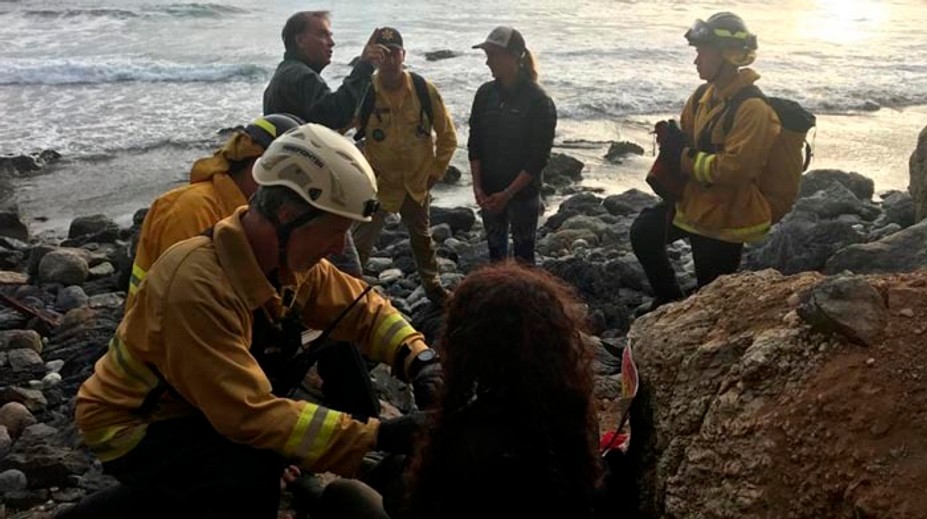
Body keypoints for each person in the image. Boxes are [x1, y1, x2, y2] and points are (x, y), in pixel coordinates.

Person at [61, 124, 442, 519]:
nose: (336, 248)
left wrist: (420, 360)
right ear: (286, 213)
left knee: (268, 447)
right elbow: (248, 414)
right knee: (248, 472)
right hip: (133, 423)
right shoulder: (196, 285)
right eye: (332, 232)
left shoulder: (284, 262)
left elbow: (362, 309)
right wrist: (377, 435)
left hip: (197, 403)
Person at [311, 261, 604, 519]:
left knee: (343, 494)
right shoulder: (570, 415)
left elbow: (414, 506)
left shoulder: (469, 443)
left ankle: (308, 487)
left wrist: (387, 438)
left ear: (466, 343)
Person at [630, 12, 780, 313]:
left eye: (702, 53)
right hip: (696, 203)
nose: (696, 61)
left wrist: (683, 157)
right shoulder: (702, 96)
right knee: (644, 232)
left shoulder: (753, 109)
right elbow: (688, 137)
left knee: (711, 300)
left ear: (727, 56)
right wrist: (673, 142)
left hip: (725, 217)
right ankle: (669, 301)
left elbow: (736, 169)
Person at [125, 113, 303, 310]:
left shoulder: (255, 216)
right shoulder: (191, 209)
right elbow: (187, 301)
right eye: (286, 176)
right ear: (257, 163)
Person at [351, 27, 457, 305]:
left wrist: (434, 173)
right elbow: (338, 127)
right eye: (382, 53)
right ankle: (347, 289)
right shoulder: (365, 92)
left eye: (394, 53)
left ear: (403, 54)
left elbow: (448, 136)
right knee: (359, 240)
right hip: (378, 184)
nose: (389, 59)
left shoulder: (423, 90)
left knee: (422, 239)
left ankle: (433, 287)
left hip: (415, 183)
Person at [468, 26, 557, 265]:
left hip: (523, 195)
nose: (488, 62)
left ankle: (524, 301)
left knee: (524, 258)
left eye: (493, 55)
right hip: (489, 192)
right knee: (496, 255)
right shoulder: (485, 94)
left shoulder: (539, 101)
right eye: (487, 55)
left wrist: (508, 194)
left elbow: (538, 157)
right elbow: (474, 143)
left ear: (515, 57)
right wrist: (478, 188)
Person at [263, 11, 386, 129]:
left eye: (330, 36)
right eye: (322, 35)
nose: (332, 43)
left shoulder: (284, 73)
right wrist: (364, 66)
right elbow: (336, 115)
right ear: (300, 41)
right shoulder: (303, 76)